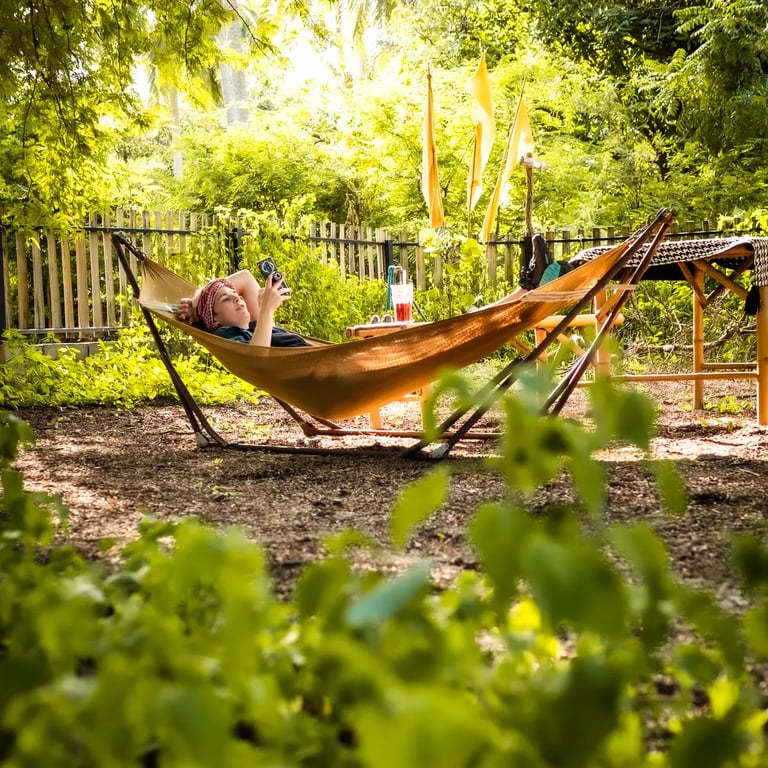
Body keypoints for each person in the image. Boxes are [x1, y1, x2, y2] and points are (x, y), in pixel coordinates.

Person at [177, 269, 309, 347]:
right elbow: (257, 360)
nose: (237, 298)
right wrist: (266, 310)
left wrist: (195, 303)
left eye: (237, 295)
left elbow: (245, 277)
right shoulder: (228, 334)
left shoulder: (255, 325)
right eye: (226, 299)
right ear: (214, 319)